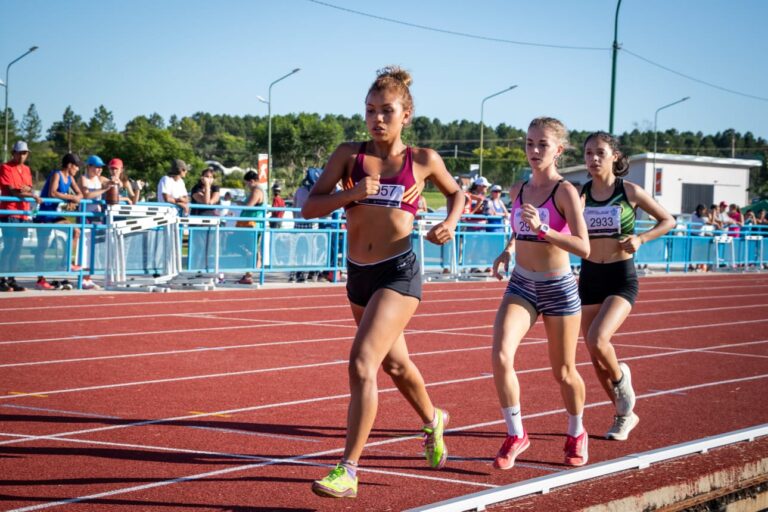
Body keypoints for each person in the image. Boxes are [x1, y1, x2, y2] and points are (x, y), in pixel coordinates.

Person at [302, 66, 464, 499]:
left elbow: (456, 193)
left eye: (387, 111)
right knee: (395, 365)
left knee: (362, 362)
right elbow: (310, 207)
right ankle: (433, 419)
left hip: (399, 272)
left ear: (406, 115)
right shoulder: (348, 156)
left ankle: (348, 469)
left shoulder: (423, 160)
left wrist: (449, 222)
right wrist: (350, 194)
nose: (377, 119)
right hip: (359, 274)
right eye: (370, 110)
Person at [490, 117, 590, 470]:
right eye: (530, 143)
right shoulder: (518, 189)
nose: (534, 151)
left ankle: (577, 432)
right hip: (521, 284)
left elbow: (584, 246)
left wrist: (544, 229)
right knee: (501, 356)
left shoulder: (564, 192)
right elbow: (521, 226)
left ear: (558, 150)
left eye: (542, 145)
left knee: (563, 371)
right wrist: (508, 248)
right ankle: (516, 433)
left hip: (558, 287)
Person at [578, 131, 675, 441]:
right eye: (588, 152)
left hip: (621, 275)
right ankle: (624, 415)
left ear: (615, 157)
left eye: (600, 153)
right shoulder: (580, 194)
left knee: (598, 339)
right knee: (594, 356)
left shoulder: (630, 192)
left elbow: (668, 220)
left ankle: (622, 380)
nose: (593, 158)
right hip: (589, 276)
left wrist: (641, 239)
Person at [0, 141, 41, 291]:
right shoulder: (5, 167)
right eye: (20, 152)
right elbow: (12, 191)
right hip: (10, 211)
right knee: (9, 247)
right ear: (14, 153)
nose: (23, 155)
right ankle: (2, 278)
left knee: (17, 248)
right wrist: (30, 193)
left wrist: (28, 190)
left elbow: (28, 186)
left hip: (23, 213)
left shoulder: (26, 169)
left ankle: (11, 279)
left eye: (25, 153)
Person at [36, 153, 84, 270]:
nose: (78, 169)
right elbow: (52, 193)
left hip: (54, 214)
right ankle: (40, 279)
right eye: (76, 166)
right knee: (42, 247)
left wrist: (74, 199)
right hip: (43, 214)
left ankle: (66, 262)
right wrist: (71, 197)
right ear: (69, 165)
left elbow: (80, 194)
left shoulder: (70, 178)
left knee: (75, 231)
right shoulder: (57, 174)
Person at [79, 155, 117, 221]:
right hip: (84, 215)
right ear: (89, 167)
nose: (100, 169)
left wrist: (115, 180)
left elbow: (116, 183)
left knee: (99, 231)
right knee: (85, 231)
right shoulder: (83, 178)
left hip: (97, 214)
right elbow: (86, 195)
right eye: (97, 167)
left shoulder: (100, 178)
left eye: (101, 167)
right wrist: (104, 189)